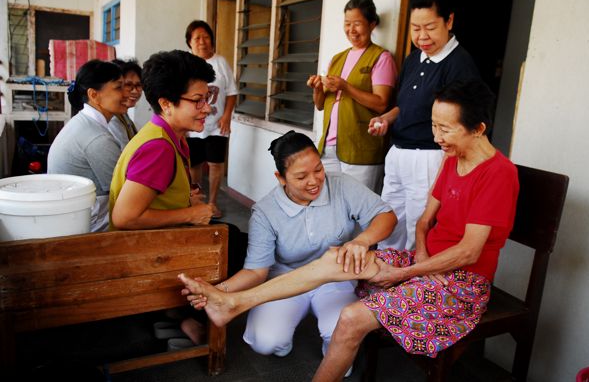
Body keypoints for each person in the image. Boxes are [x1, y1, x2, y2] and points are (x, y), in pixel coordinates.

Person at [179, 80, 519, 381]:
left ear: (478, 128)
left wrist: (407, 273)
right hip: (425, 265)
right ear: (281, 178)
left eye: (445, 129)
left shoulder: (498, 174)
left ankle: (237, 305)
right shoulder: (453, 158)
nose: (436, 137)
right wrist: (420, 258)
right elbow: (423, 222)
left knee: (351, 318)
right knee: (337, 257)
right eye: (433, 125)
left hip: (462, 282)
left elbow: (469, 252)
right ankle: (234, 302)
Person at [182, 130, 396, 362]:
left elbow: (385, 215)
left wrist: (362, 240)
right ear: (281, 178)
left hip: (336, 278)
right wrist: (217, 291)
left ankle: (334, 354)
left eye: (318, 170)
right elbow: (256, 271)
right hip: (286, 280)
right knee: (266, 341)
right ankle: (283, 339)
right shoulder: (265, 212)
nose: (314, 181)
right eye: (301, 177)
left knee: (341, 332)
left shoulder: (341, 185)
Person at [368, 0, 481, 251]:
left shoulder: (460, 65)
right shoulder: (413, 59)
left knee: (418, 227)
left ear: (449, 21)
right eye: (415, 28)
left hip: (429, 157)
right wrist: (386, 118)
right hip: (398, 152)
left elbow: (462, 125)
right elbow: (405, 106)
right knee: (389, 219)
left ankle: (410, 275)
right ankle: (386, 269)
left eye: (429, 27)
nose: (421, 36)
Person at [108, 50, 215, 230]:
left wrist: (184, 200)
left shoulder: (169, 135)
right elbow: (124, 218)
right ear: (166, 104)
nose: (207, 108)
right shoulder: (158, 148)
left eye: (207, 98)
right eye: (198, 100)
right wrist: (190, 214)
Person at [306, 0, 397, 193]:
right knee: (330, 202)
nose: (351, 30)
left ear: (372, 24)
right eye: (347, 24)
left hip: (360, 150)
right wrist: (317, 88)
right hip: (329, 147)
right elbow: (320, 105)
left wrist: (346, 87)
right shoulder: (337, 59)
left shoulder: (381, 58)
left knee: (358, 206)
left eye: (357, 24)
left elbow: (381, 103)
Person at [47, 59, 127, 232]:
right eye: (118, 87)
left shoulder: (83, 122)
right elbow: (126, 192)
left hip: (68, 217)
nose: (126, 94)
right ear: (94, 95)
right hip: (83, 228)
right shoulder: (98, 139)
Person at [185, 20, 238, 219]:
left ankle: (213, 203)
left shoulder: (220, 62)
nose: (202, 42)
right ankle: (197, 201)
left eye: (206, 37)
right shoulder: (186, 65)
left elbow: (232, 92)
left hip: (217, 125)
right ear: (189, 42)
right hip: (192, 126)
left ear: (212, 40)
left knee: (216, 163)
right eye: (197, 38)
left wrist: (227, 116)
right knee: (194, 165)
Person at [108, 58, 142, 149]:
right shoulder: (112, 119)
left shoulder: (123, 114)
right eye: (128, 85)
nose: (135, 91)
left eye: (138, 85)